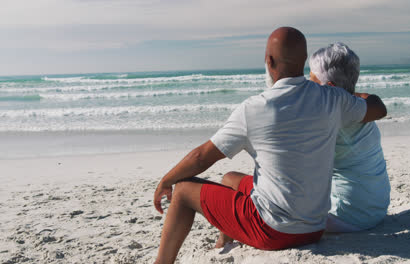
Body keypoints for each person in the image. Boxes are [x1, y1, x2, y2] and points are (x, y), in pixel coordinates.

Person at [152, 27, 387, 264]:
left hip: (273, 231)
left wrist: (165, 181)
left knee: (182, 190)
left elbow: (201, 157)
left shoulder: (254, 108)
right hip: (314, 228)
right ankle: (225, 241)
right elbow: (377, 107)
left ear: (269, 60)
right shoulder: (332, 99)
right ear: (304, 61)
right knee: (229, 179)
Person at [308, 42, 391, 232]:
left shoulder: (328, 117)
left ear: (329, 87)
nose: (307, 83)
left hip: (346, 216)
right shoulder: (363, 108)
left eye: (311, 78)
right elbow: (375, 102)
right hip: (376, 210)